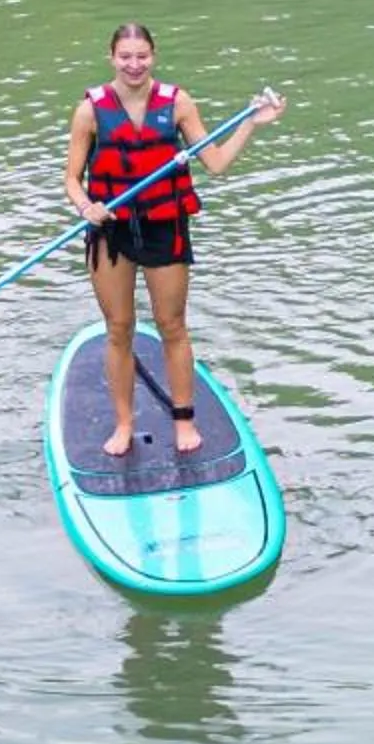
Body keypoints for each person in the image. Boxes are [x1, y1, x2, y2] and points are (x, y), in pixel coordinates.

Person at [63, 25, 281, 457]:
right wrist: (87, 207)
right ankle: (124, 424)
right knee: (119, 329)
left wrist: (251, 125)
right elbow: (72, 180)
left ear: (153, 56)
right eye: (125, 56)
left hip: (165, 227)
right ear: (112, 58)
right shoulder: (89, 112)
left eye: (141, 56)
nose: (134, 65)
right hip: (111, 232)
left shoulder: (178, 103)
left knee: (172, 326)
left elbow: (215, 163)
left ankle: (184, 421)